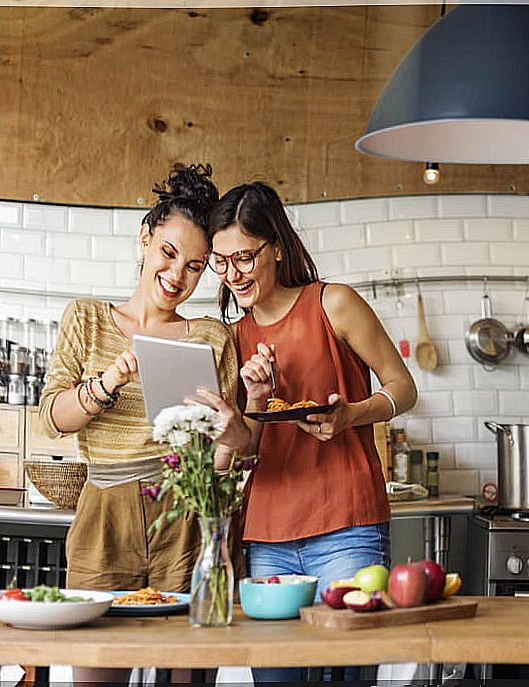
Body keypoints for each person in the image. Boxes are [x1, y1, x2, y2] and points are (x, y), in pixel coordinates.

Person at [40, 164, 249, 686]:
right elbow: (53, 419)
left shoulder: (213, 337)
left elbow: (225, 456)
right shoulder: (86, 319)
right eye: (169, 253)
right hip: (104, 517)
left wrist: (231, 433)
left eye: (197, 267)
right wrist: (107, 380)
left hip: (184, 519)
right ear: (145, 237)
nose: (178, 276)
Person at [208, 180, 418, 594]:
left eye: (245, 258)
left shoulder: (333, 303)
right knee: (275, 661)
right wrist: (256, 400)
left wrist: (351, 415)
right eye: (221, 261)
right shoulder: (231, 339)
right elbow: (245, 450)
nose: (233, 274)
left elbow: (403, 388)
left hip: (347, 525)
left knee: (347, 657)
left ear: (277, 248)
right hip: (267, 534)